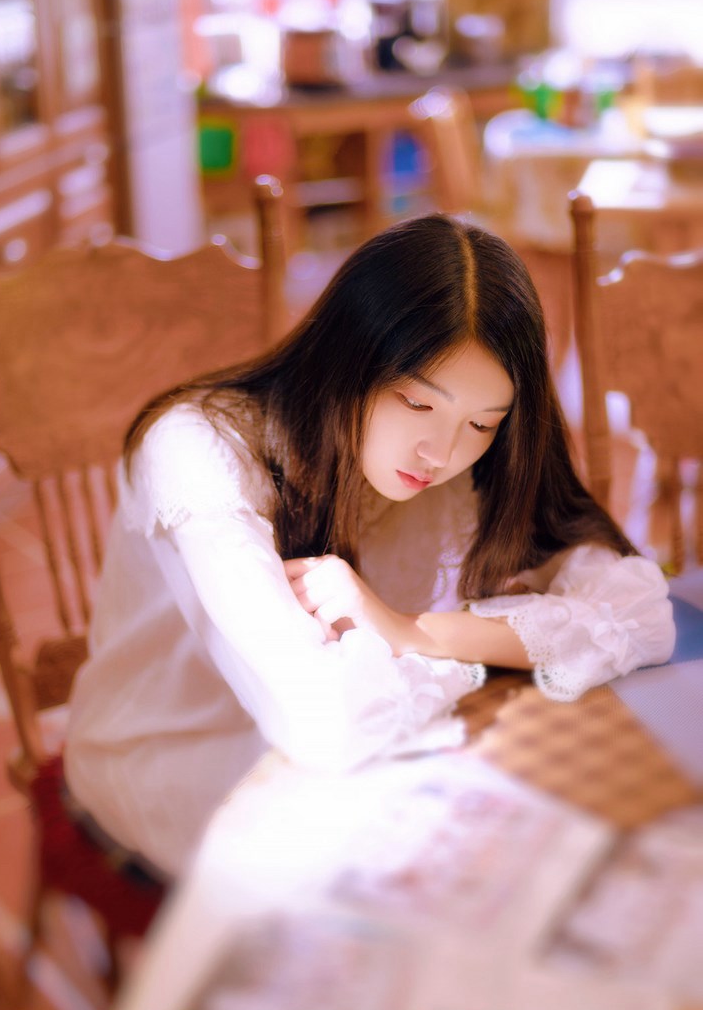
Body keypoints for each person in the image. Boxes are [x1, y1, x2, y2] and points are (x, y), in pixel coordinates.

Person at [64, 213, 674, 881]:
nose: (440, 452)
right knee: (463, 886)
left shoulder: (463, 460)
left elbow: (640, 613)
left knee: (555, 854)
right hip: (178, 764)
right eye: (416, 404)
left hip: (362, 750)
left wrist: (418, 632)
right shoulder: (200, 452)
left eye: (479, 423)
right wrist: (484, 653)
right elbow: (327, 722)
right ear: (350, 359)